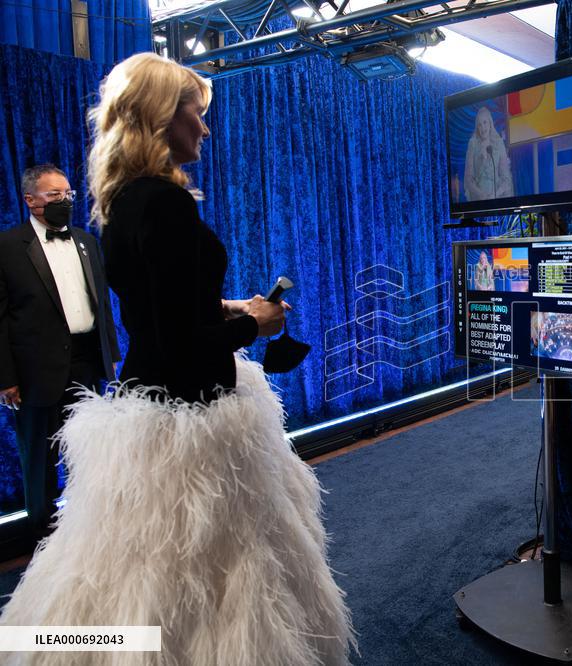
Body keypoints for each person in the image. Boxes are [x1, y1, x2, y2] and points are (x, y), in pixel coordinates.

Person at [0, 53, 354, 664]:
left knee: (136, 576)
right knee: (211, 583)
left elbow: (160, 304)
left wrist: (226, 304)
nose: (206, 129)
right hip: (189, 415)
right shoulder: (165, 203)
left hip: (149, 407)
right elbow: (180, 346)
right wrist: (256, 320)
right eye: (198, 113)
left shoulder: (120, 203)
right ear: (164, 116)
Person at [0, 164, 120, 542]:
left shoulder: (86, 241)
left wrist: (110, 358)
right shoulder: (7, 247)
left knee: (90, 454)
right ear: (30, 200)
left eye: (67, 194)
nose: (64, 201)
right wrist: (6, 379)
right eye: (54, 196)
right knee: (40, 462)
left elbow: (101, 305)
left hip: (85, 362)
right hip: (35, 370)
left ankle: (89, 537)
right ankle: (43, 542)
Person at [464, 107, 514, 201]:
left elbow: (506, 179)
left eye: (485, 122)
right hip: (478, 199)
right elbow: (468, 179)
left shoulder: (499, 143)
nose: (483, 128)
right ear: (477, 127)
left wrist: (495, 195)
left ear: (490, 123)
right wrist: (480, 194)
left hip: (496, 198)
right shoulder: (473, 144)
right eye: (479, 125)